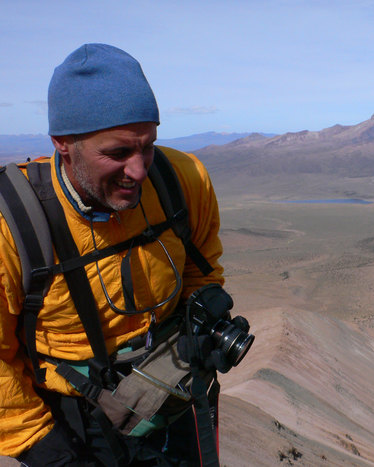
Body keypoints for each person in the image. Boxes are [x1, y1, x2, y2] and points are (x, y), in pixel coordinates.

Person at [0, 43, 246, 465]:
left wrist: (200, 324)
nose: (138, 169)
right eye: (117, 153)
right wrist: (47, 449)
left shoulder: (182, 180)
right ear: (63, 142)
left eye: (148, 146)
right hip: (75, 426)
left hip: (174, 392)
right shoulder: (12, 226)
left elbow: (201, 266)